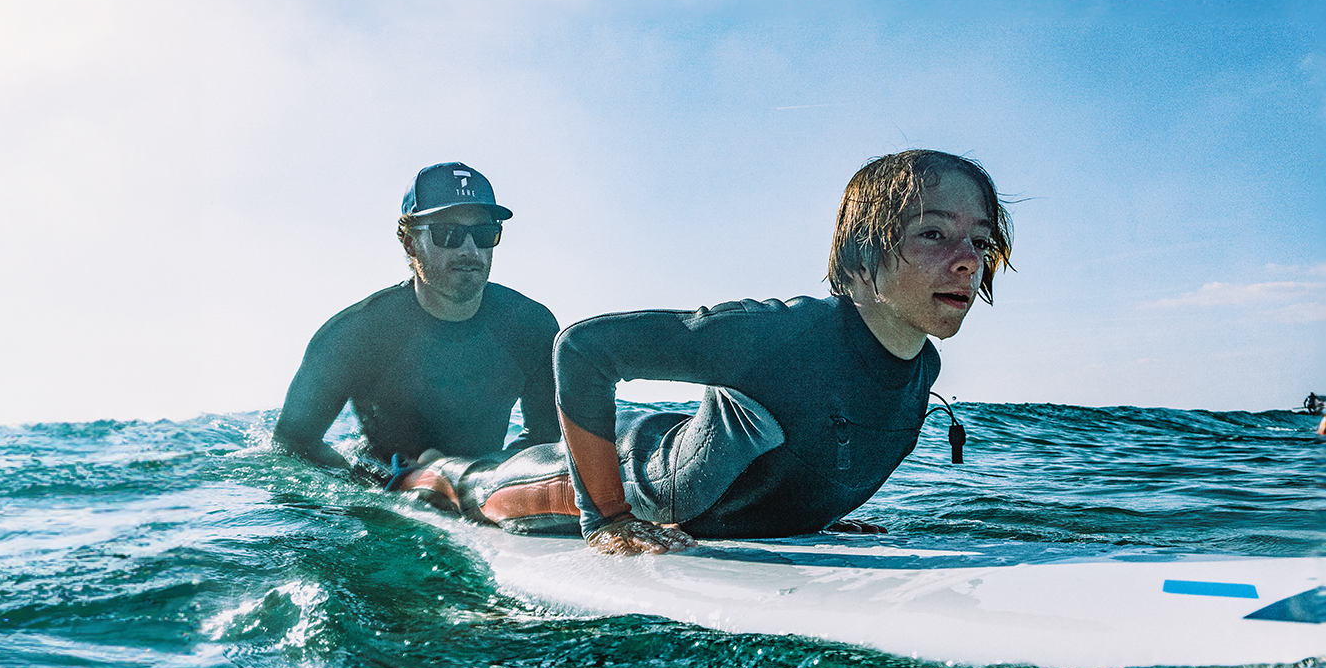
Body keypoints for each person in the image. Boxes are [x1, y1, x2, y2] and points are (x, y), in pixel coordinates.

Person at [395, 149, 1012, 550]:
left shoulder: (921, 366)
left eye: (980, 242)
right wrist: (609, 518)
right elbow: (583, 348)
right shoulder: (781, 336)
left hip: (690, 456)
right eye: (932, 234)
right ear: (863, 253)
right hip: (629, 481)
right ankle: (419, 467)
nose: (966, 260)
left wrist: (808, 519)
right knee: (468, 487)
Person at [273, 162, 561, 482]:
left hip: (481, 485)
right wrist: (371, 486)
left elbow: (547, 439)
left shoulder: (531, 327)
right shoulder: (353, 335)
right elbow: (291, 445)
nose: (469, 249)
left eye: (484, 234)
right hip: (382, 495)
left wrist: (474, 477)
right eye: (448, 234)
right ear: (411, 244)